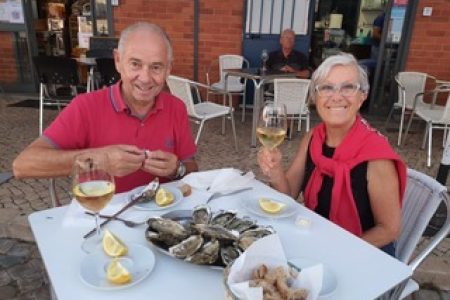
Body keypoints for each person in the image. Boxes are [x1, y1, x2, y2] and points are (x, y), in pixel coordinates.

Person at [13, 22, 198, 193]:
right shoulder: (85, 107)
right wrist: (99, 160)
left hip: (161, 217)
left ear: (168, 69)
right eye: (135, 64)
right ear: (118, 60)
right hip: (103, 216)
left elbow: (191, 168)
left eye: (156, 67)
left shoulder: (176, 107)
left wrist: (176, 169)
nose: (145, 78)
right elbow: (23, 165)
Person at [257, 53, 406, 256]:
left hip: (364, 253)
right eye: (326, 87)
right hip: (318, 240)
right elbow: (288, 194)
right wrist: (274, 171)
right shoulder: (313, 138)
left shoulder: (376, 156)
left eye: (348, 87)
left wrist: (338, 252)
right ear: (315, 97)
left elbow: (389, 229)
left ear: (362, 96)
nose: (336, 96)